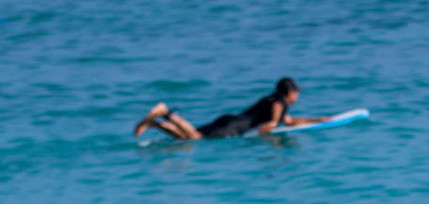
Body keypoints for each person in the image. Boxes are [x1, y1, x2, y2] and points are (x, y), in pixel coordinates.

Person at [134, 78, 323, 139]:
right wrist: (272, 124)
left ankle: (154, 124)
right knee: (195, 138)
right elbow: (277, 114)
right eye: (296, 92)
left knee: (184, 137)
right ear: (288, 93)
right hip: (233, 127)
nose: (297, 96)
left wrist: (317, 120)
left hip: (230, 120)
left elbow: (289, 121)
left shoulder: (271, 99)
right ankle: (165, 112)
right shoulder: (279, 102)